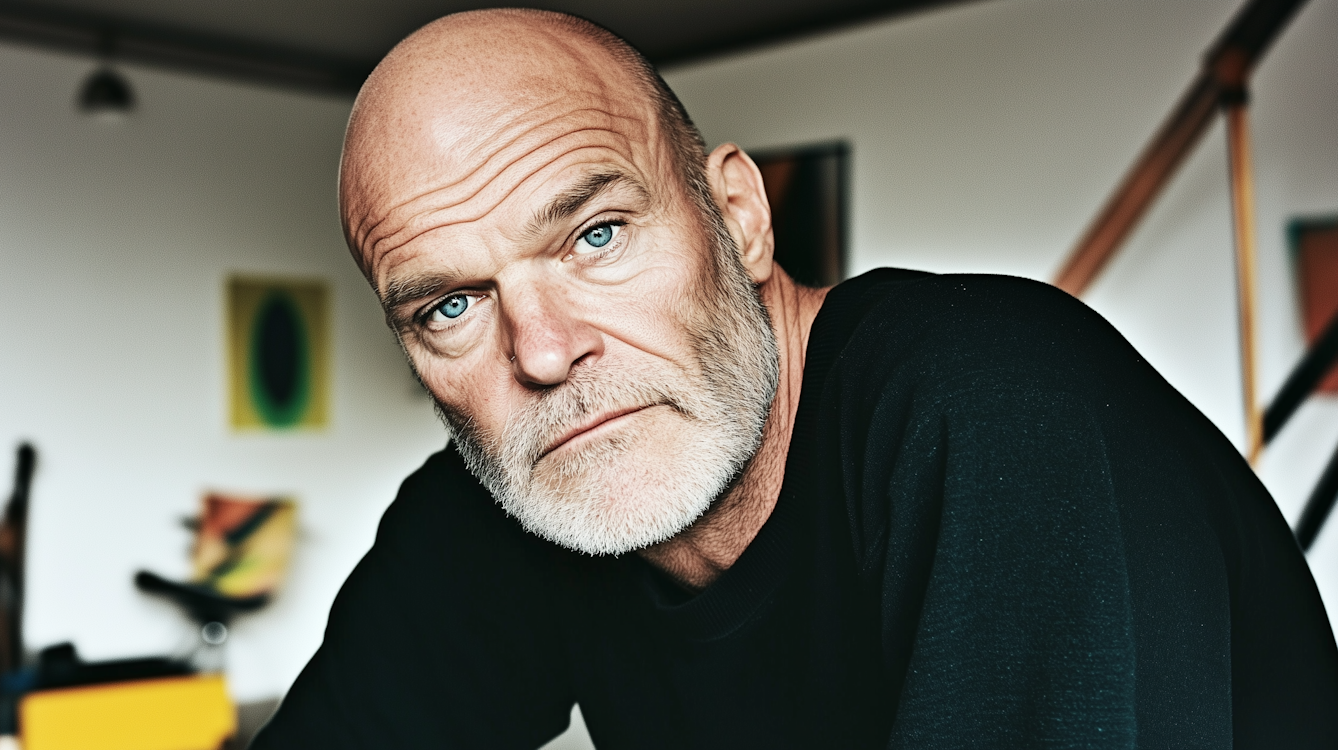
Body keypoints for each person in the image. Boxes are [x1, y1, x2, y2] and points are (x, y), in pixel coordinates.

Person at [253, 9, 1338, 748]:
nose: (542, 354)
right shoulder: (508, 505)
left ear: (738, 216)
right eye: (450, 306)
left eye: (596, 235)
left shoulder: (994, 405)